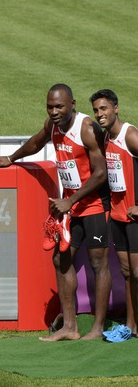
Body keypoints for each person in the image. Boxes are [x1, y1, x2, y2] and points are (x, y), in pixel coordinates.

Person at [0, 83, 111, 341]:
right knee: (60, 259)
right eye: (50, 106)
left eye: (59, 107)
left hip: (94, 204)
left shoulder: (86, 129)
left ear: (72, 105)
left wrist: (71, 200)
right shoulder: (53, 125)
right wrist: (12, 157)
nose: (53, 111)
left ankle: (98, 328)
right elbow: (36, 142)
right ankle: (71, 327)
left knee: (99, 264)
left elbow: (101, 173)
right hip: (72, 205)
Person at [91, 89, 138, 338]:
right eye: (97, 110)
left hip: (135, 216)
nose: (100, 114)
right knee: (128, 274)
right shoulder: (107, 137)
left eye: (104, 109)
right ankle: (131, 326)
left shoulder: (130, 135)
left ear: (116, 108)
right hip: (118, 216)